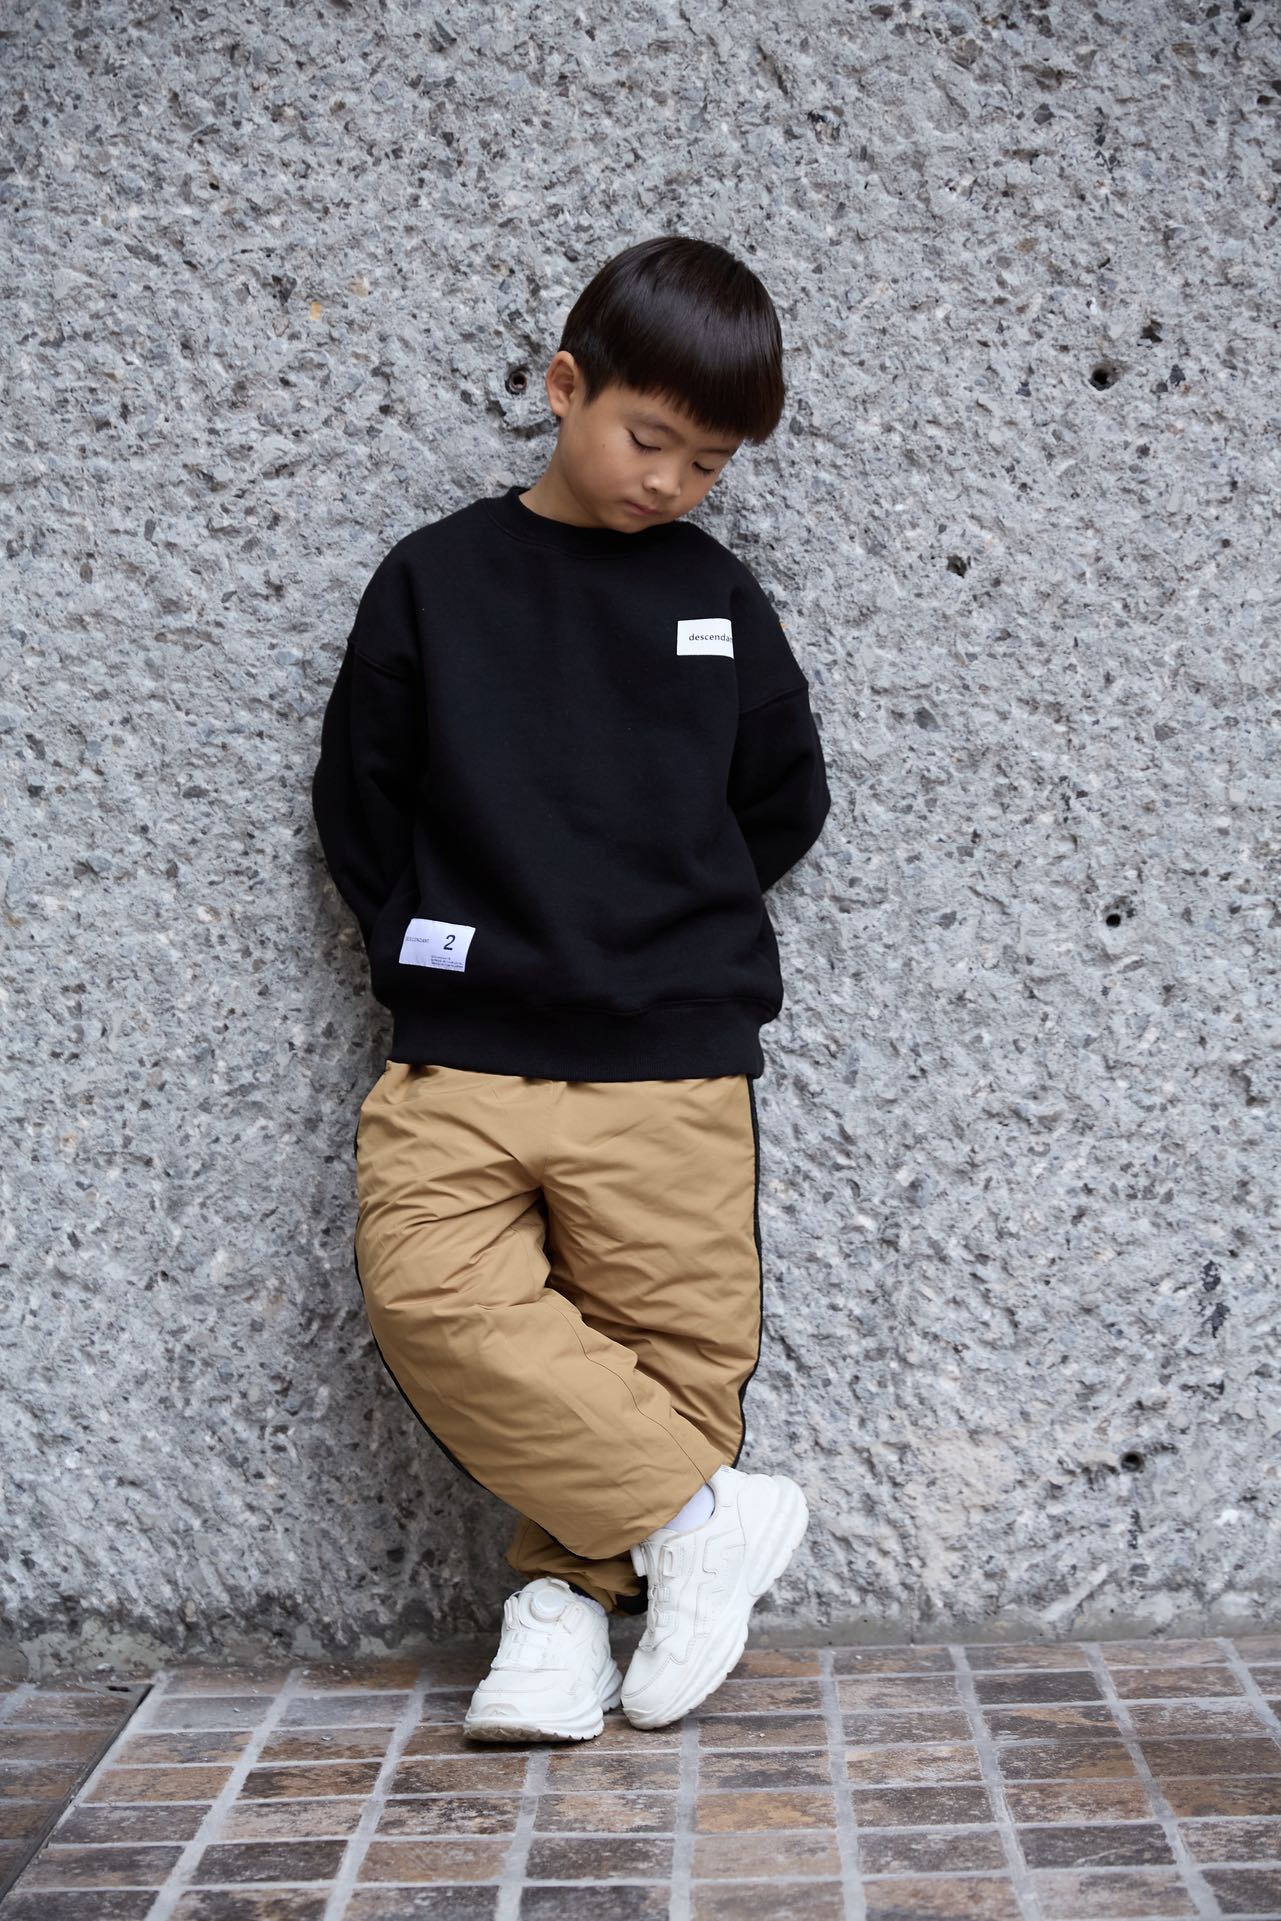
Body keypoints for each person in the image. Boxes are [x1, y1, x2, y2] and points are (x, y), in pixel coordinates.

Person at [311, 233, 831, 1742]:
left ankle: (558, 1612)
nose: (669, 481)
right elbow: (360, 798)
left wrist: (654, 925)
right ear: (563, 387)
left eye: (708, 463)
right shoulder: (438, 578)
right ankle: (700, 1517)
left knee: (670, 1344)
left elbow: (782, 799)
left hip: (671, 1054)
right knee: (426, 1286)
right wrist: (438, 939)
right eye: (647, 437)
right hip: (466, 1045)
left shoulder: (715, 597)